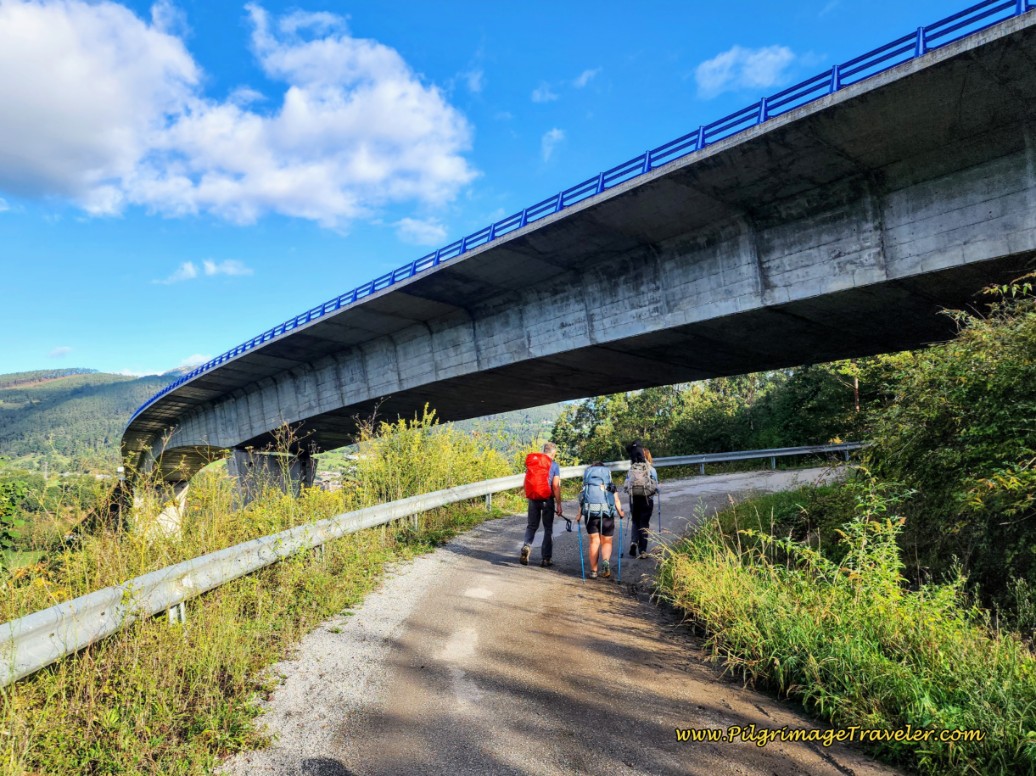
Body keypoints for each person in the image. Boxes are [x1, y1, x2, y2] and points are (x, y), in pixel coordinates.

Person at [521, 442, 563, 567]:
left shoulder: (534, 463)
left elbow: (525, 481)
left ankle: (526, 545)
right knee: (548, 528)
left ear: (544, 450)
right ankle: (546, 559)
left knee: (531, 526)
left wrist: (529, 495)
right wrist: (559, 504)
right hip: (547, 499)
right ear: (553, 452)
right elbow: (555, 486)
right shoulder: (554, 465)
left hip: (533, 498)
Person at [580, 460, 625, 578]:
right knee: (607, 541)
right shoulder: (609, 483)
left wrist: (579, 515)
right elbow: (616, 500)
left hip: (591, 514)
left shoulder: (587, 483)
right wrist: (620, 512)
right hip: (606, 514)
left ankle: (593, 571)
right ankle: (605, 562)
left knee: (594, 542)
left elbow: (583, 500)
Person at [624, 443, 659, 559]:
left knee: (635, 521)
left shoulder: (632, 468)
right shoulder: (651, 469)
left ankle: (634, 541)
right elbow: (656, 486)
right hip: (647, 500)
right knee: (644, 524)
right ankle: (643, 550)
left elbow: (626, 485)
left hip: (634, 500)